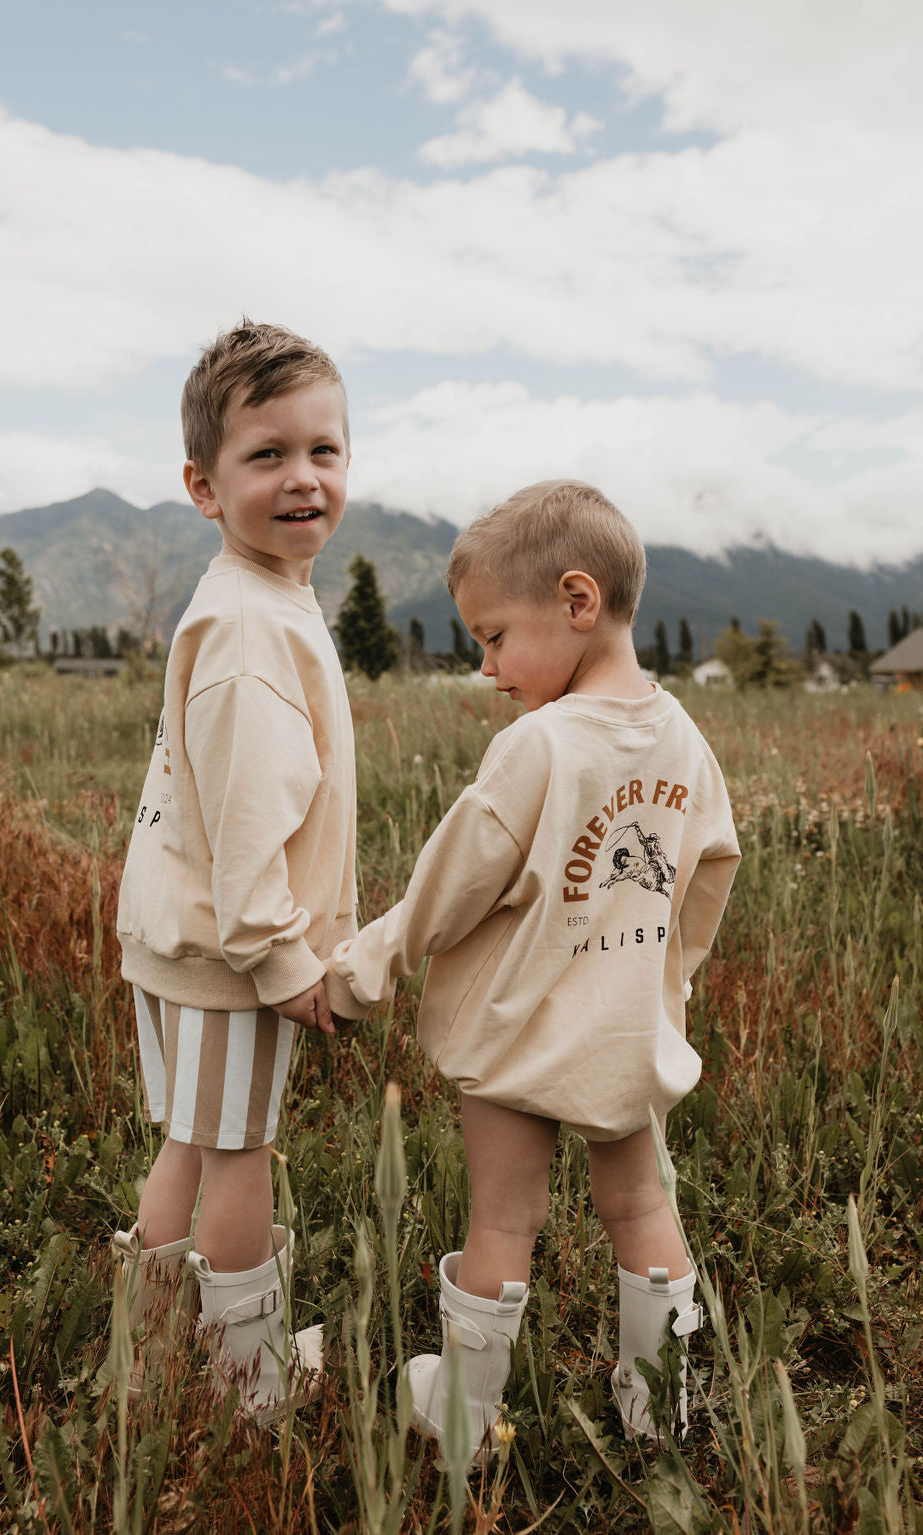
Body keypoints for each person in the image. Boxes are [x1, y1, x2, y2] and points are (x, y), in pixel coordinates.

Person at [325, 480, 740, 1456]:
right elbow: (706, 877)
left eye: (495, 635)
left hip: (516, 1035)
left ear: (577, 600)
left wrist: (358, 971)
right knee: (641, 1205)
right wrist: (664, 989)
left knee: (503, 1222)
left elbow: (444, 888)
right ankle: (661, 1408)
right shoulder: (687, 738)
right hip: (627, 1035)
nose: (485, 665)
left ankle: (459, 1416)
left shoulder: (538, 745)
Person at [113, 320, 355, 1415]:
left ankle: (150, 1355)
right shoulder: (254, 626)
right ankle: (244, 1387)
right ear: (205, 486)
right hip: (232, 946)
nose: (302, 477)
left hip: (181, 932)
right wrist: (281, 957)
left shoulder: (255, 599)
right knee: (239, 1155)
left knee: (194, 1139)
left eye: (324, 449)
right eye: (267, 455)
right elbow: (253, 817)